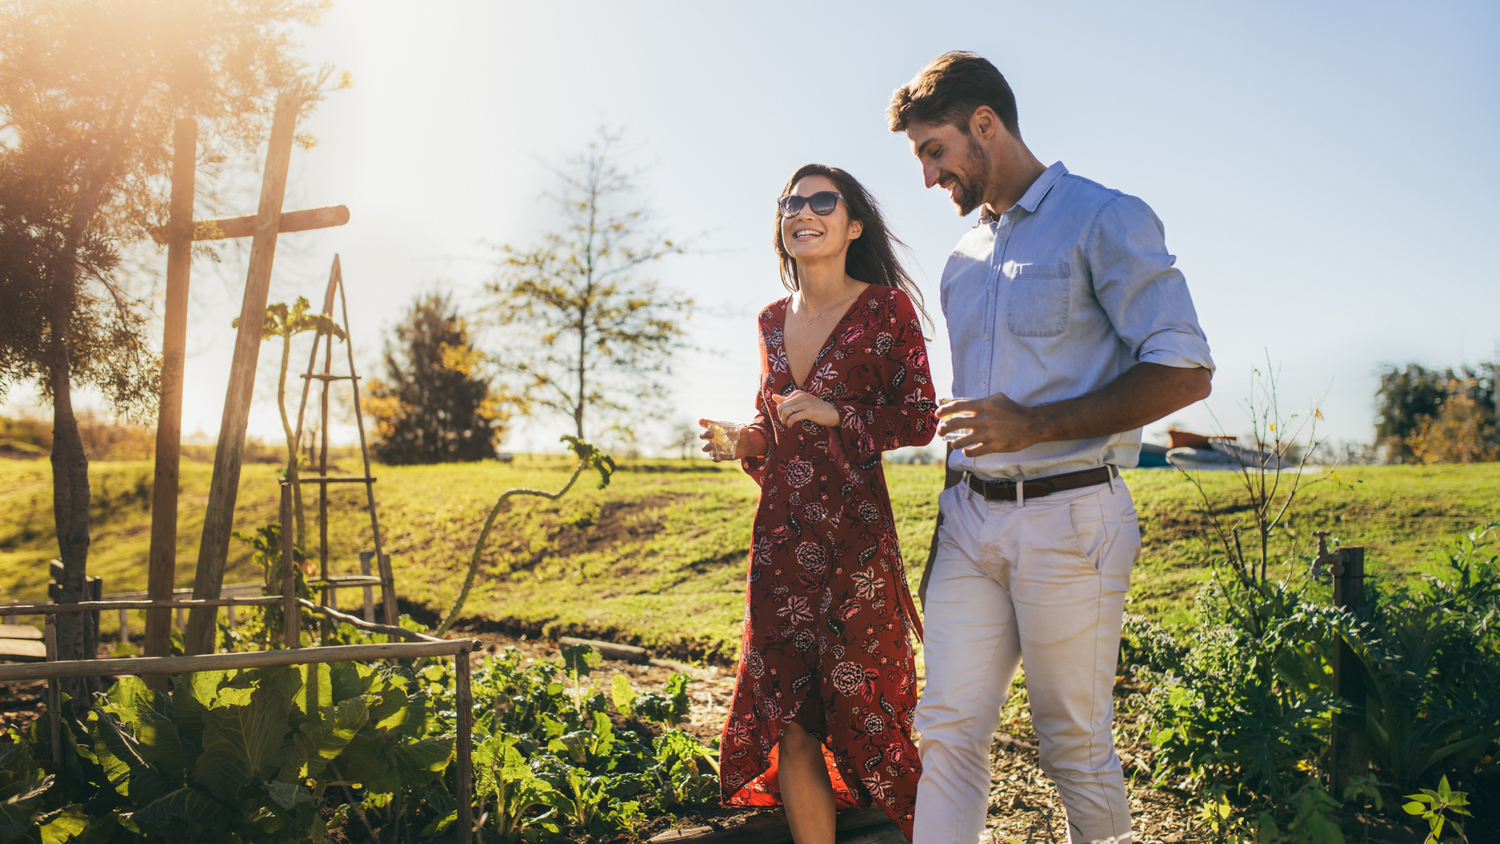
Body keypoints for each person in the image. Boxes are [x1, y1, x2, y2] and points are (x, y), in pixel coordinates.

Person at [887, 53, 1215, 844]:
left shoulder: (1106, 218)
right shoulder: (963, 262)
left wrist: (1033, 424)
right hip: (969, 523)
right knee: (948, 728)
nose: (929, 177)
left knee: (1072, 741)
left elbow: (1186, 372)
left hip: (1073, 518)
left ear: (985, 126)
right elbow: (975, 418)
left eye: (935, 151)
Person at [703, 164, 938, 843]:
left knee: (871, 713)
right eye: (791, 202)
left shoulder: (886, 309)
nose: (803, 211)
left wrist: (839, 414)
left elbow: (920, 417)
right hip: (779, 548)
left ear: (852, 224)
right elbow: (772, 426)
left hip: (857, 549)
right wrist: (745, 438)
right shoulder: (770, 321)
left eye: (821, 200)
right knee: (791, 719)